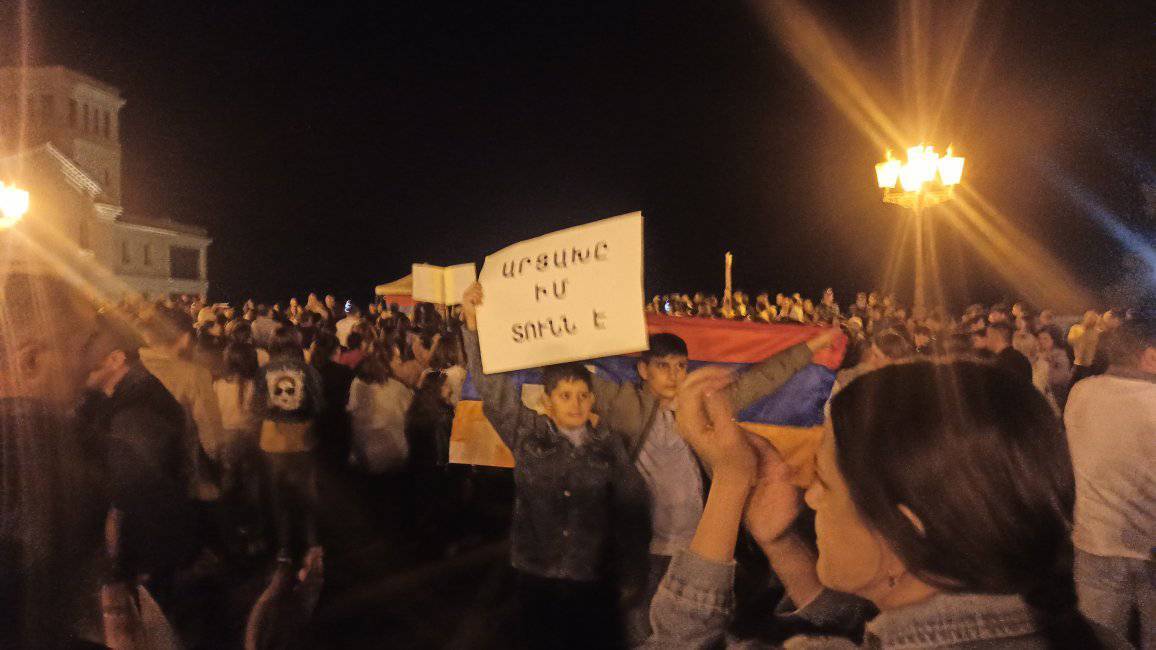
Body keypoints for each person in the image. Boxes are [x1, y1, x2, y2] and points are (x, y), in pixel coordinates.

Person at [646, 361, 1127, 648]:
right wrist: (780, 542)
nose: (810, 496)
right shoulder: (1102, 639)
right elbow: (875, 623)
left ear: (906, 533)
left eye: (826, 483)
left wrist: (731, 481)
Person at [461, 282, 650, 649]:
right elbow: (494, 390)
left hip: (593, 580)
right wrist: (472, 323)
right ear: (547, 401)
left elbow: (632, 510)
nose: (575, 404)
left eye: (582, 395)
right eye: (565, 396)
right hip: (536, 578)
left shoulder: (610, 447)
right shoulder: (527, 435)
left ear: (592, 399)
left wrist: (633, 571)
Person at [1064, 316, 1156, 648]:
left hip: (1093, 542)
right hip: (1149, 547)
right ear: (1151, 357)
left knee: (1098, 639)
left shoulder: (1081, 393)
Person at [254, 327, 325, 578]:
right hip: (303, 441)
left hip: (272, 442)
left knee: (280, 497)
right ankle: (312, 546)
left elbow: (257, 408)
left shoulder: (263, 372)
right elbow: (318, 405)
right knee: (307, 496)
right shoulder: (308, 371)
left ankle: (284, 549)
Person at [139, 307, 225, 502]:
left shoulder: (129, 365)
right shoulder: (193, 376)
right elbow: (212, 439)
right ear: (185, 338)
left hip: (131, 477)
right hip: (179, 478)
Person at [346, 350, 413, 474]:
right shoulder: (397, 387)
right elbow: (411, 413)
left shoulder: (356, 385)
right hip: (396, 453)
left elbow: (351, 411)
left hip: (365, 456)